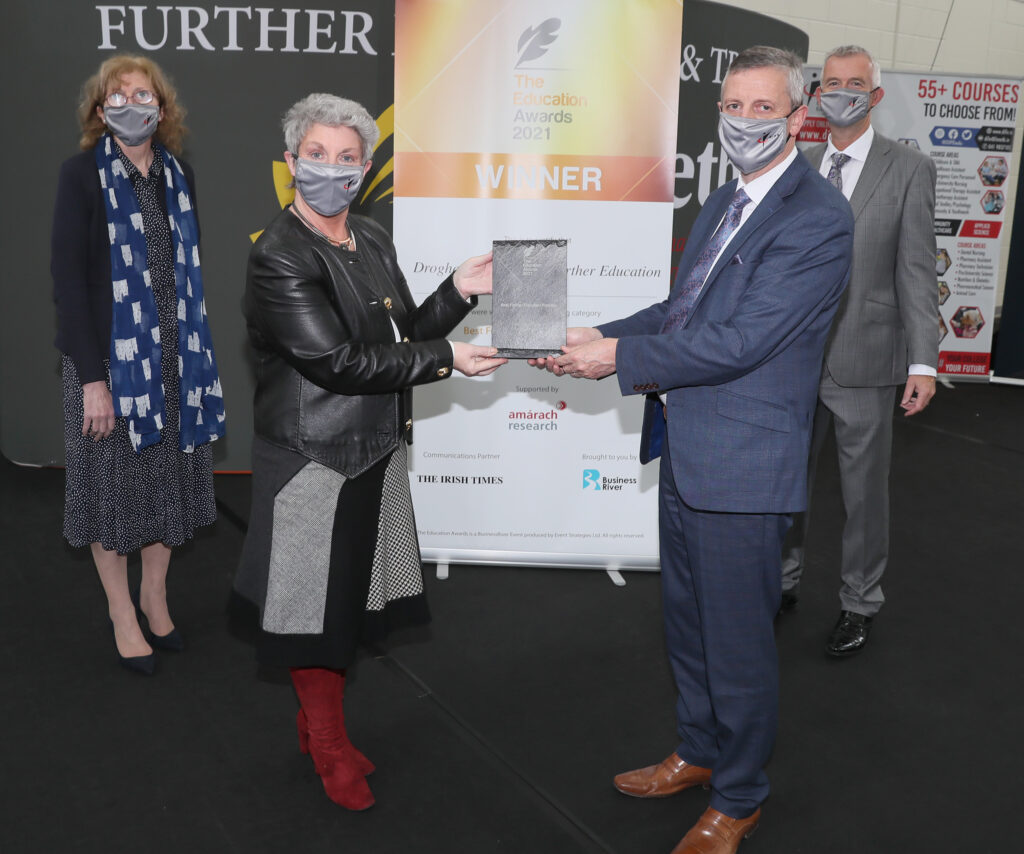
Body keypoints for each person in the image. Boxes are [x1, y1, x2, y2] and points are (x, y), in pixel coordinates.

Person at [532, 46, 853, 854]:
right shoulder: (725, 200)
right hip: (689, 443)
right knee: (687, 623)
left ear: (798, 114)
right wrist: (599, 332)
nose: (745, 121)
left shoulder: (816, 217)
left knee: (738, 640)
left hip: (745, 462)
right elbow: (684, 311)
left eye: (763, 108)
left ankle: (740, 796)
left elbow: (742, 340)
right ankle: (701, 752)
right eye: (732, 106)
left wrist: (617, 360)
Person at [233, 93, 506, 811]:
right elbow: (340, 364)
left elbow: (401, 333)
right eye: (315, 156)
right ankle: (325, 740)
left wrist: (458, 292)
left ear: (365, 167)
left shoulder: (373, 239)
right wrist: (449, 357)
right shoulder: (279, 257)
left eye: (346, 158)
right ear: (291, 162)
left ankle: (318, 723)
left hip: (373, 448)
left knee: (347, 601)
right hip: (312, 458)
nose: (330, 170)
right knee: (310, 612)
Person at [51, 55, 224, 676]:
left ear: (161, 108)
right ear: (101, 112)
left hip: (175, 366)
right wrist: (94, 380)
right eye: (117, 96)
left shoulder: (180, 176)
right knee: (112, 493)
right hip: (108, 369)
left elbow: (189, 277)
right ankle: (122, 612)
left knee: (163, 490)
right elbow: (69, 284)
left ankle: (155, 594)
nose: (131, 103)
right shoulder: (81, 176)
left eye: (142, 94)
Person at [780, 45, 938, 657]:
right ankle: (782, 582)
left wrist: (923, 360)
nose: (841, 91)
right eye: (831, 82)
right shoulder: (797, 164)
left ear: (874, 97)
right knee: (787, 482)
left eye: (855, 83)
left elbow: (918, 271)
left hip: (865, 359)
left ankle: (859, 602)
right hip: (791, 357)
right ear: (816, 93)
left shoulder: (909, 170)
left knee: (864, 493)